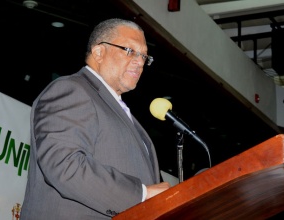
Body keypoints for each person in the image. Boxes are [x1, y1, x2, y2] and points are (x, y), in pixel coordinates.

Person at [20, 18, 171, 219]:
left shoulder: (124, 114)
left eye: (144, 56)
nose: (139, 61)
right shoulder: (72, 90)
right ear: (99, 52)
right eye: (130, 51)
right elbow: (65, 166)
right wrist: (141, 194)